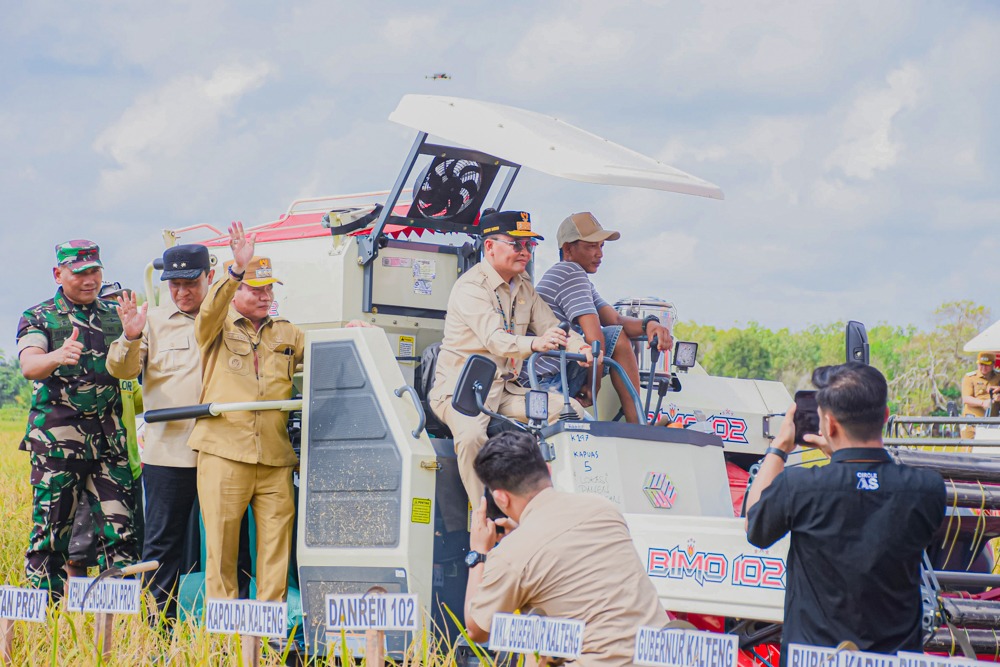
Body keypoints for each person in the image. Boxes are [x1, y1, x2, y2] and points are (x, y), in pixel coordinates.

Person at [744, 363, 945, 660]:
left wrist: (779, 448)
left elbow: (755, 527)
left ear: (830, 424)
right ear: (886, 416)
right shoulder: (926, 490)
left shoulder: (801, 487)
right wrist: (844, 458)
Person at [428, 211, 593, 504]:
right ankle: (483, 520)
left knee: (573, 413)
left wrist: (580, 348)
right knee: (469, 438)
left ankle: (554, 505)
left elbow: (551, 325)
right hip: (463, 393)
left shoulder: (523, 285)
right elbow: (496, 340)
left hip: (505, 390)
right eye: (517, 245)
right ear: (489, 247)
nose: (525, 252)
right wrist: (538, 344)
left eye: (529, 245)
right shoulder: (471, 287)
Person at [464, 431, 667, 666]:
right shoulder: (603, 509)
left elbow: (477, 630)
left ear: (501, 498)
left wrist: (478, 553)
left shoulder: (511, 554)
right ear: (549, 471)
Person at [107, 245, 232, 618]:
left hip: (224, 454)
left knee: (229, 545)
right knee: (162, 547)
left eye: (189, 282)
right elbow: (123, 370)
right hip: (169, 454)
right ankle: (157, 634)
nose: (181, 292)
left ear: (209, 277)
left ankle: (230, 633)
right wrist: (129, 337)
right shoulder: (152, 322)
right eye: (174, 284)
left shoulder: (232, 318)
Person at [184, 222, 306, 603]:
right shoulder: (215, 326)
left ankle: (268, 637)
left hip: (274, 458)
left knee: (275, 551)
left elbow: (326, 355)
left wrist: (356, 331)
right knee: (220, 549)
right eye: (257, 289)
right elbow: (210, 308)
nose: (266, 295)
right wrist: (235, 270)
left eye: (269, 288)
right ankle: (223, 641)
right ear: (237, 291)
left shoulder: (287, 332)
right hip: (224, 452)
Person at [16, 240, 138, 598]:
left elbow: (134, 366)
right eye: (80, 272)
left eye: (95, 270)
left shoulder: (115, 315)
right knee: (51, 536)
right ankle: (44, 621)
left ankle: (118, 622)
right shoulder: (39, 316)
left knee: (121, 534)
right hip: (58, 444)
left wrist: (133, 335)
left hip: (108, 443)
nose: (90, 279)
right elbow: (29, 365)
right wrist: (56, 355)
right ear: (59, 274)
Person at [534, 212, 673, 423]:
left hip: (557, 372)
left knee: (616, 334)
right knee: (615, 337)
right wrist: (593, 386)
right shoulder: (570, 272)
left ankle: (637, 421)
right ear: (569, 249)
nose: (599, 254)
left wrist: (650, 324)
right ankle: (638, 423)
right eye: (591, 246)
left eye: (601, 246)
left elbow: (616, 320)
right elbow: (595, 338)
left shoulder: (577, 279)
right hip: (546, 382)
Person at [961, 352, 1000, 439]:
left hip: (992, 422)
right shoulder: (970, 377)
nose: (983, 368)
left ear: (993, 364)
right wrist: (982, 403)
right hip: (973, 421)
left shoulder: (998, 377)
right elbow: (966, 398)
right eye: (981, 364)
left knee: (988, 449)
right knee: (969, 449)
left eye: (987, 365)